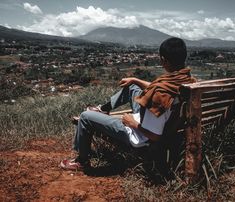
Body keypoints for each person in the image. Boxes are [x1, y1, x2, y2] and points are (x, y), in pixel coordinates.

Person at [60, 37, 195, 171]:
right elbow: (157, 88)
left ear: (163, 60)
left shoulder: (159, 96)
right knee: (132, 87)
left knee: (85, 116)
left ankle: (82, 161)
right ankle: (103, 109)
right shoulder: (186, 80)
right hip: (158, 122)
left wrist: (131, 123)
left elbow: (155, 136)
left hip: (140, 136)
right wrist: (135, 80)